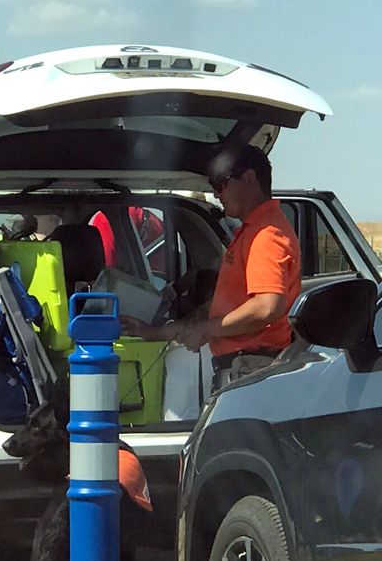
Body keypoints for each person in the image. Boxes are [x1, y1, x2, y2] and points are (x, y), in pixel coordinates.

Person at [121, 145, 301, 391]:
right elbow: (222, 309)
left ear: (248, 178)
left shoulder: (266, 234)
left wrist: (206, 330)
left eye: (221, 183)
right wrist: (154, 332)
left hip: (249, 370)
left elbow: (266, 307)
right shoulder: (252, 230)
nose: (217, 194)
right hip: (242, 366)